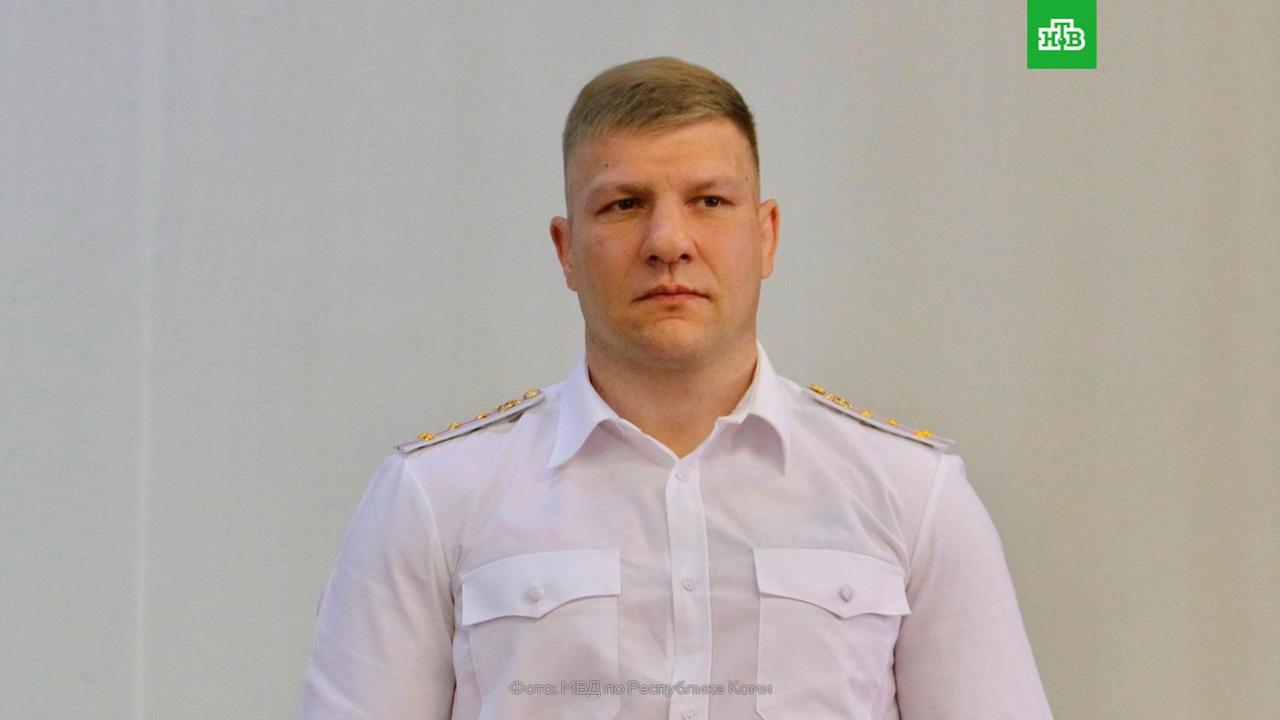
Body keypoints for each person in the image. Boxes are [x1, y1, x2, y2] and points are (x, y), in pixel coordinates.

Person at [296, 56, 1054, 720]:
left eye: (709, 201)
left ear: (767, 235)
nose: (668, 242)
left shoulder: (911, 494)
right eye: (623, 204)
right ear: (566, 249)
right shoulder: (435, 501)